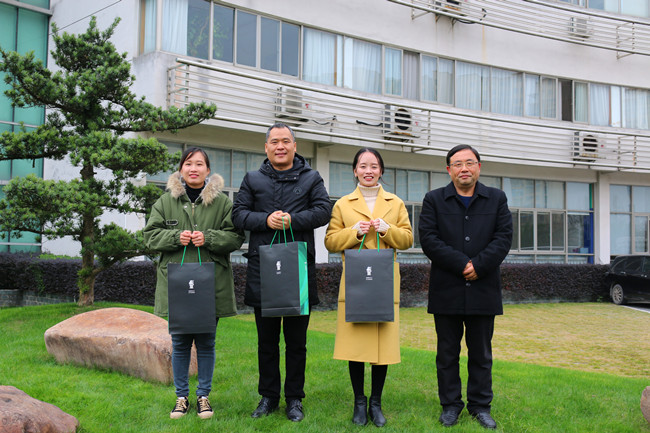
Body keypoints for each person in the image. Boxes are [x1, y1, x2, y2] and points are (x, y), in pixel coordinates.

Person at [232, 122, 331, 422]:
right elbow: (238, 214)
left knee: (297, 342)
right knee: (267, 341)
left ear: (294, 146)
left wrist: (293, 220)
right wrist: (266, 220)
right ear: (266, 147)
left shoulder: (311, 177)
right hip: (264, 269)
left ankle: (295, 399)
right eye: (274, 141)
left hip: (298, 268)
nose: (280, 146)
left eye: (286, 141)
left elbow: (323, 210)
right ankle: (268, 397)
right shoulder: (252, 179)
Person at [144, 147, 245, 420]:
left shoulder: (222, 203)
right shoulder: (165, 201)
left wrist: (209, 238)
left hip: (210, 285)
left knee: (206, 342)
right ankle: (181, 398)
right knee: (179, 343)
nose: (193, 169)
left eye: (199, 164)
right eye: (188, 164)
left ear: (208, 170)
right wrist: (175, 237)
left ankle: (203, 396)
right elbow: (150, 237)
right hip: (176, 284)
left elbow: (236, 237)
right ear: (181, 169)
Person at [418, 145, 512, 430]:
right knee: (447, 353)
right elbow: (429, 239)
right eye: (457, 164)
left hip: (484, 288)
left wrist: (479, 265)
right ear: (449, 170)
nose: (464, 169)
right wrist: (462, 264)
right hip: (447, 288)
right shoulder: (434, 199)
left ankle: (480, 406)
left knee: (481, 353)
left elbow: (503, 238)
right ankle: (450, 405)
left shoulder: (496, 198)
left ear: (479, 167)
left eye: (469, 163)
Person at [324, 148, 413, 427]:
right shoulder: (343, 204)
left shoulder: (395, 203)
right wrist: (354, 232)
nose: (368, 171)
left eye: (374, 166)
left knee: (382, 346)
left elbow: (408, 239)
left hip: (384, 283)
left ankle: (376, 402)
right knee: (356, 345)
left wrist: (387, 229)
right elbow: (330, 241)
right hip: (356, 283)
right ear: (355, 171)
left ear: (381, 170)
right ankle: (359, 402)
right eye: (363, 166)